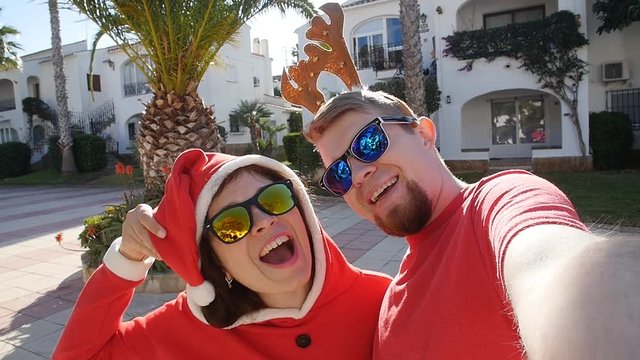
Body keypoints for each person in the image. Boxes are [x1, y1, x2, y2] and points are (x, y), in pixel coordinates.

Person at [306, 89, 640, 359]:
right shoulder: (391, 300)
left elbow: (563, 269)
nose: (360, 174)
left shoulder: (499, 203)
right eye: (340, 174)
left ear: (423, 133)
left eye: (368, 142)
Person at [53, 148, 391, 359]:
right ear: (215, 262)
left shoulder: (385, 301)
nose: (262, 221)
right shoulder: (184, 331)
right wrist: (126, 259)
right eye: (231, 223)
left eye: (273, 199)